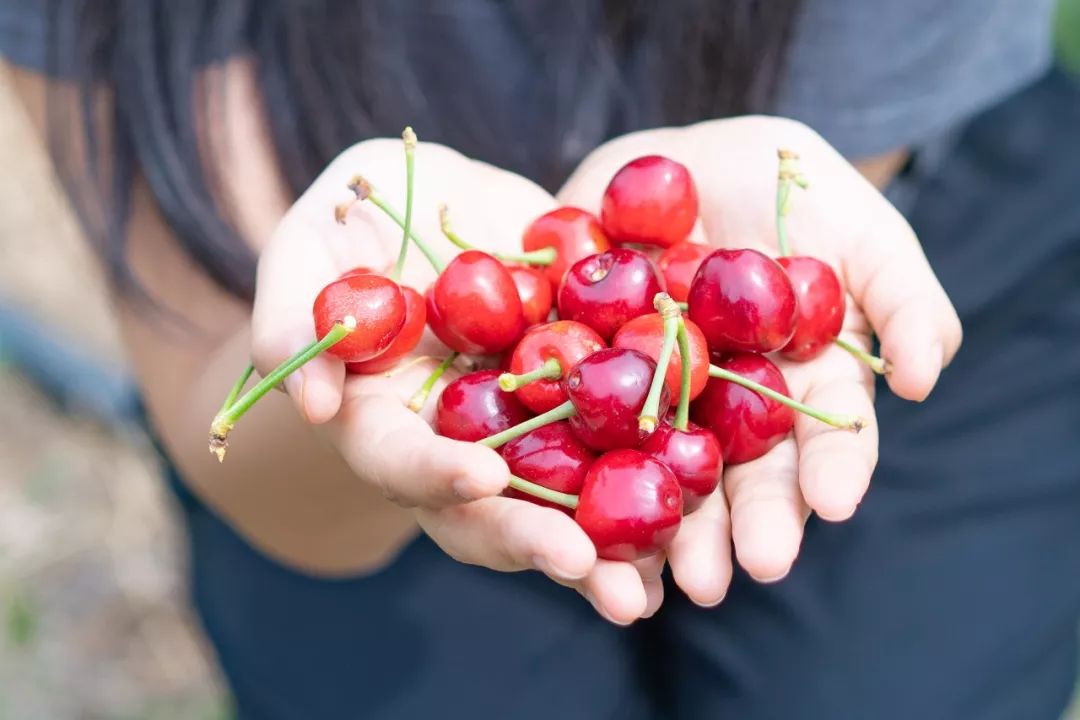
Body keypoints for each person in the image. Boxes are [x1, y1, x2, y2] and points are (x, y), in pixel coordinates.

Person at [2, 1, 1072, 718]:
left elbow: (759, 299)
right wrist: (360, 412)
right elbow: (220, 400)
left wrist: (727, 311)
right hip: (404, 425)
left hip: (932, 236)